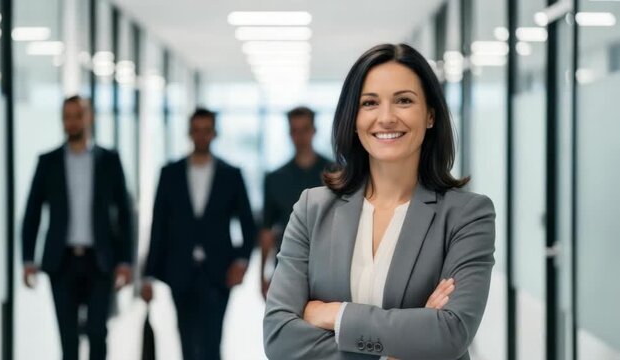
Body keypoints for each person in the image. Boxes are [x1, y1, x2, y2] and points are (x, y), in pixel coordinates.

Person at [263, 43, 496, 360]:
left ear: (430, 115)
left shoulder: (467, 215)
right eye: (370, 103)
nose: (386, 118)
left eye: (403, 100)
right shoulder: (312, 209)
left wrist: (336, 314)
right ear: (353, 118)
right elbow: (279, 339)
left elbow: (450, 333)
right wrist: (401, 347)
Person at [22, 95, 133, 360]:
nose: (72, 122)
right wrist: (28, 258)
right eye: (67, 116)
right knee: (68, 337)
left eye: (77, 115)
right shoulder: (48, 162)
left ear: (90, 117)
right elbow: (33, 212)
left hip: (100, 260)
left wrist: (126, 261)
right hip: (62, 261)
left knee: (97, 333)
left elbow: (125, 214)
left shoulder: (109, 160)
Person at [141, 108, 256, 360]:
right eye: (197, 131)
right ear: (189, 133)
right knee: (186, 340)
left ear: (214, 133)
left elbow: (248, 224)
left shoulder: (231, 175)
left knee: (212, 342)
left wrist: (241, 261)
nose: (202, 136)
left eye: (207, 131)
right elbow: (158, 224)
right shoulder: (169, 173)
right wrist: (148, 275)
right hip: (179, 270)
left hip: (218, 272)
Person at [259, 106, 330, 298]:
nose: (300, 136)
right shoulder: (275, 178)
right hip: (286, 265)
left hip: (329, 267)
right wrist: (262, 275)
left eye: (305, 129)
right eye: (294, 130)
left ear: (314, 131)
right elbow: (266, 230)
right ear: (289, 133)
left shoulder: (336, 174)